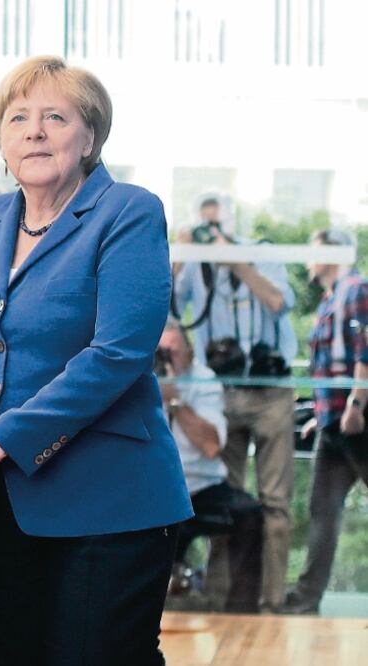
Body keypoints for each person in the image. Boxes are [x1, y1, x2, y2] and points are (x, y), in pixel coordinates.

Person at [0, 56, 192, 665]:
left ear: (90, 136)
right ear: (2, 142)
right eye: (18, 118)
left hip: (108, 503)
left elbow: (118, 354)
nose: (34, 131)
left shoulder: (128, 211)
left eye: (55, 117)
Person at [174, 196, 297, 611]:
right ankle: (224, 601)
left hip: (270, 392)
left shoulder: (261, 254)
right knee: (230, 498)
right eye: (205, 220)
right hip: (222, 391)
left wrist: (234, 259)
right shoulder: (197, 263)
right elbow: (165, 304)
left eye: (217, 219)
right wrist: (183, 251)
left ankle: (272, 604)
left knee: (275, 504)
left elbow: (279, 303)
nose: (213, 228)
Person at [284, 229, 368, 615]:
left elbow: (365, 349)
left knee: (325, 512)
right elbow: (327, 367)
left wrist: (356, 403)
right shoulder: (328, 299)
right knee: (323, 510)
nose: (307, 259)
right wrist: (321, 416)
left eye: (312, 251)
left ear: (333, 253)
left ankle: (305, 599)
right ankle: (305, 601)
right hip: (334, 423)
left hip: (358, 420)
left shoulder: (356, 289)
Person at [158, 317, 263, 613]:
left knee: (249, 515)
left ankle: (240, 612)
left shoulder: (203, 379)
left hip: (203, 487)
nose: (167, 360)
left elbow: (212, 446)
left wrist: (176, 401)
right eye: (160, 353)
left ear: (189, 351)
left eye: (173, 352)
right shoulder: (140, 380)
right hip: (157, 490)